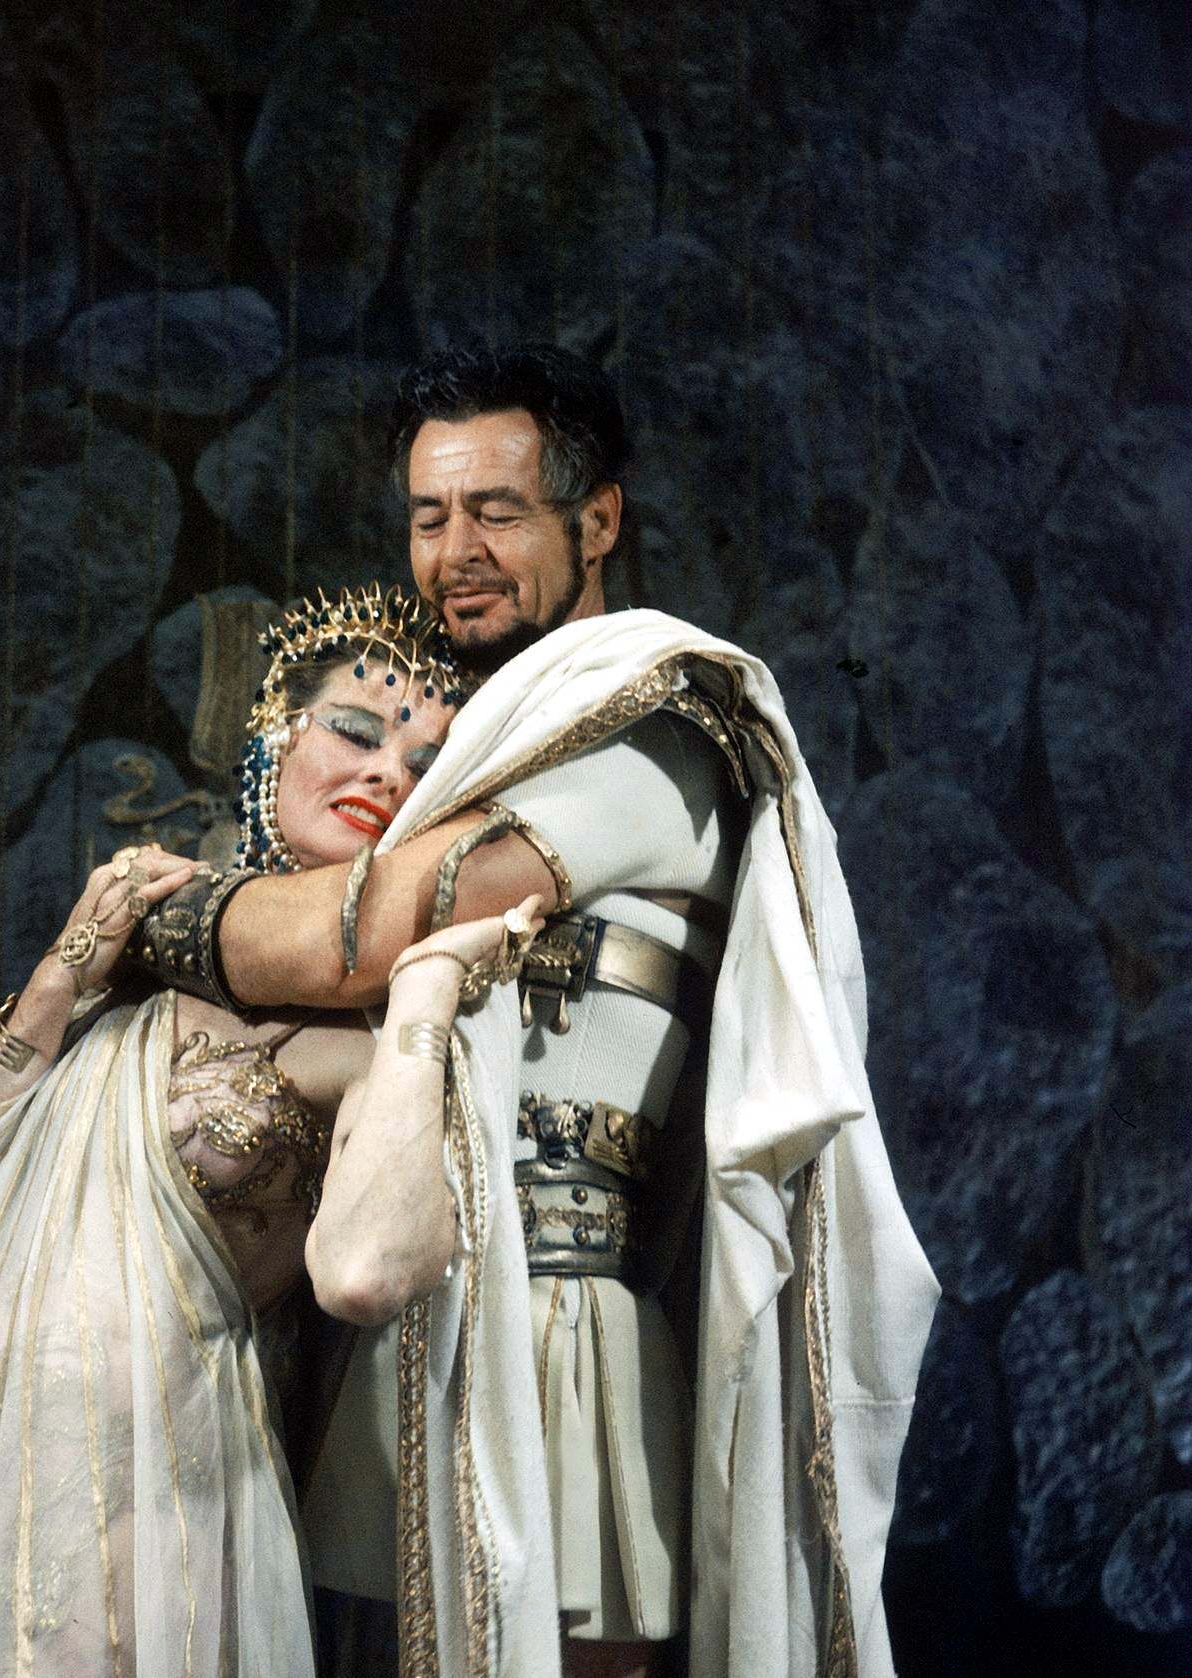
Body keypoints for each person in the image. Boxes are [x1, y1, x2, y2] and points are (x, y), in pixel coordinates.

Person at [128, 344, 939, 1678]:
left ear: (596, 519)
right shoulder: (483, 743)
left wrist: (140, 923)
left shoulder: (651, 728)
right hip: (410, 1311)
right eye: (428, 516)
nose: (454, 553)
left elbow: (365, 934)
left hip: (557, 1326)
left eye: (496, 511)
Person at [0, 584, 543, 1677]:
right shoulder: (146, 951)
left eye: (421, 765)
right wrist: (62, 974)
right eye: (356, 733)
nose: (386, 774)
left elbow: (375, 1272)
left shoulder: (372, 1035)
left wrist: (426, 993)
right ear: (272, 737)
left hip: (143, 1487)